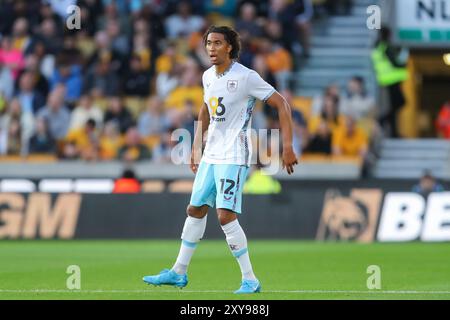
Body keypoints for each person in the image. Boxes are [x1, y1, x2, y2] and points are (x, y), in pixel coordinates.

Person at [142, 25, 298, 294]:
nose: (211, 48)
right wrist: (195, 146)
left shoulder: (247, 77)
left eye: (217, 43)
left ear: (229, 47)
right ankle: (178, 272)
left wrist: (286, 147)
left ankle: (250, 279)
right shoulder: (207, 77)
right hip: (211, 154)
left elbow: (282, 103)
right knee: (195, 209)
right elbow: (205, 109)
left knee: (225, 216)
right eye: (208, 43)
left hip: (234, 154)